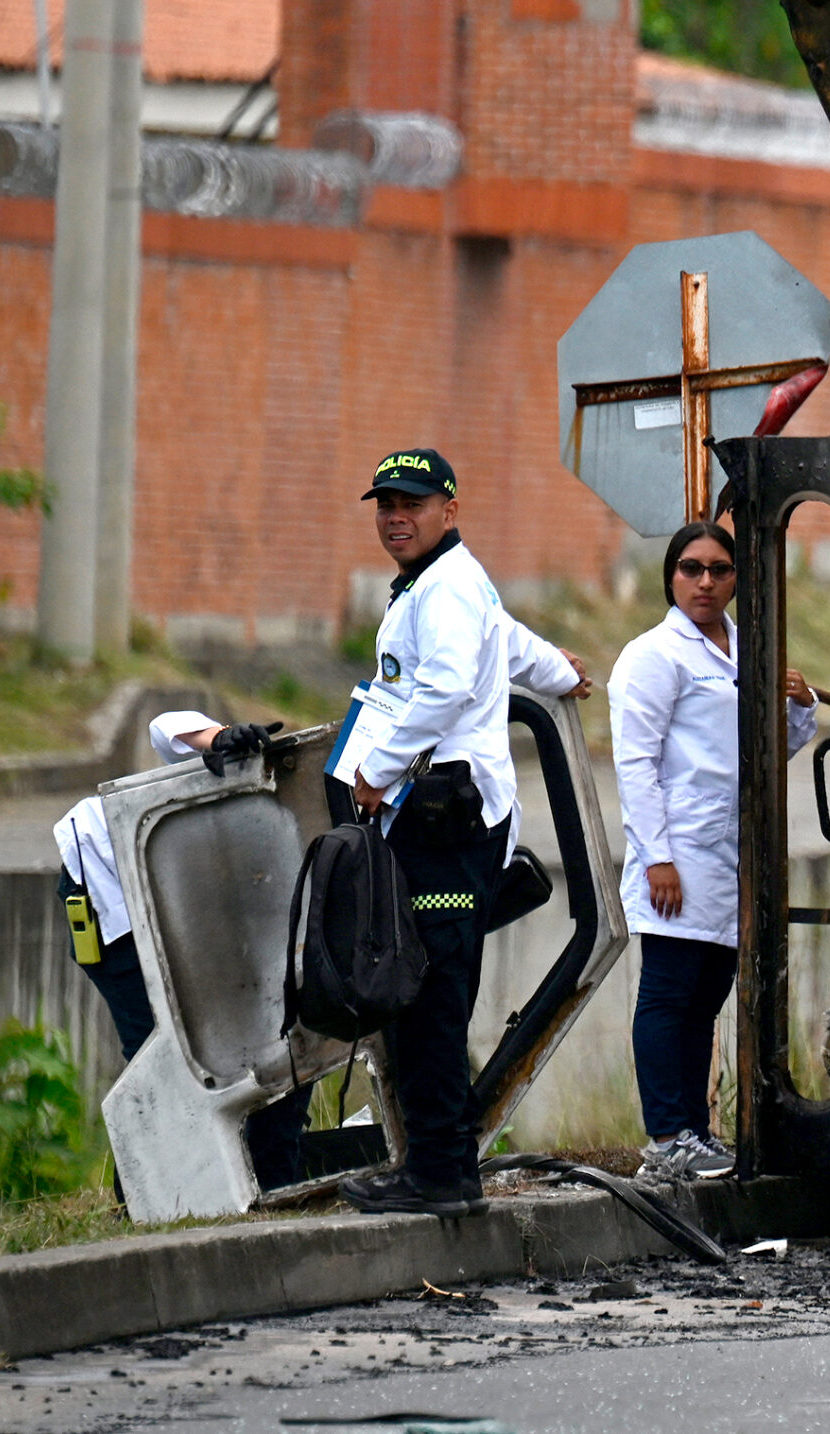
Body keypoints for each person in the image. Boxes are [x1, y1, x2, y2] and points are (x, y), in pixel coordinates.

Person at [336, 447, 590, 1218]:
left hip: (447, 820)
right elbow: (507, 645)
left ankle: (441, 1174)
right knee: (424, 996)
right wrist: (561, 672)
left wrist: (376, 768)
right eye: (385, 505)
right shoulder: (445, 584)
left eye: (411, 503)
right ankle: (438, 1166)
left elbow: (446, 684)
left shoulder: (444, 588)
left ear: (450, 510)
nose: (395, 517)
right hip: (445, 817)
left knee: (431, 1001)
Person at [609, 520, 818, 1179]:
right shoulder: (653, 657)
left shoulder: (743, 651)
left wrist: (800, 704)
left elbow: (766, 750)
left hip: (729, 856)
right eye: (691, 569)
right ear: (670, 577)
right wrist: (658, 859)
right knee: (670, 992)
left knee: (705, 996)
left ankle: (694, 1135)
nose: (705, 581)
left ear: (736, 579)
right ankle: (666, 1138)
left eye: (719, 570)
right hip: (679, 852)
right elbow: (635, 764)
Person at [55, 711, 313, 1191]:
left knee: (283, 1034)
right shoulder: (295, 783)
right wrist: (217, 737)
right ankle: (145, 1200)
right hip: (110, 879)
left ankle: (268, 1182)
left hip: (193, 904)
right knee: (161, 1053)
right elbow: (165, 726)